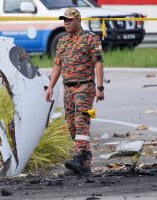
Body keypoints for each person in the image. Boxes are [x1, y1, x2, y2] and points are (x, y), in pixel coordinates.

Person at [45, 8, 104, 175]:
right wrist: (50, 86)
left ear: (78, 20)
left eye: (69, 20)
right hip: (68, 88)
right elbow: (58, 64)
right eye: (64, 20)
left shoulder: (91, 38)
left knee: (82, 120)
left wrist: (100, 87)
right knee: (71, 124)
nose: (66, 23)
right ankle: (84, 161)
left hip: (85, 86)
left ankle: (79, 157)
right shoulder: (62, 41)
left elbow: (98, 62)